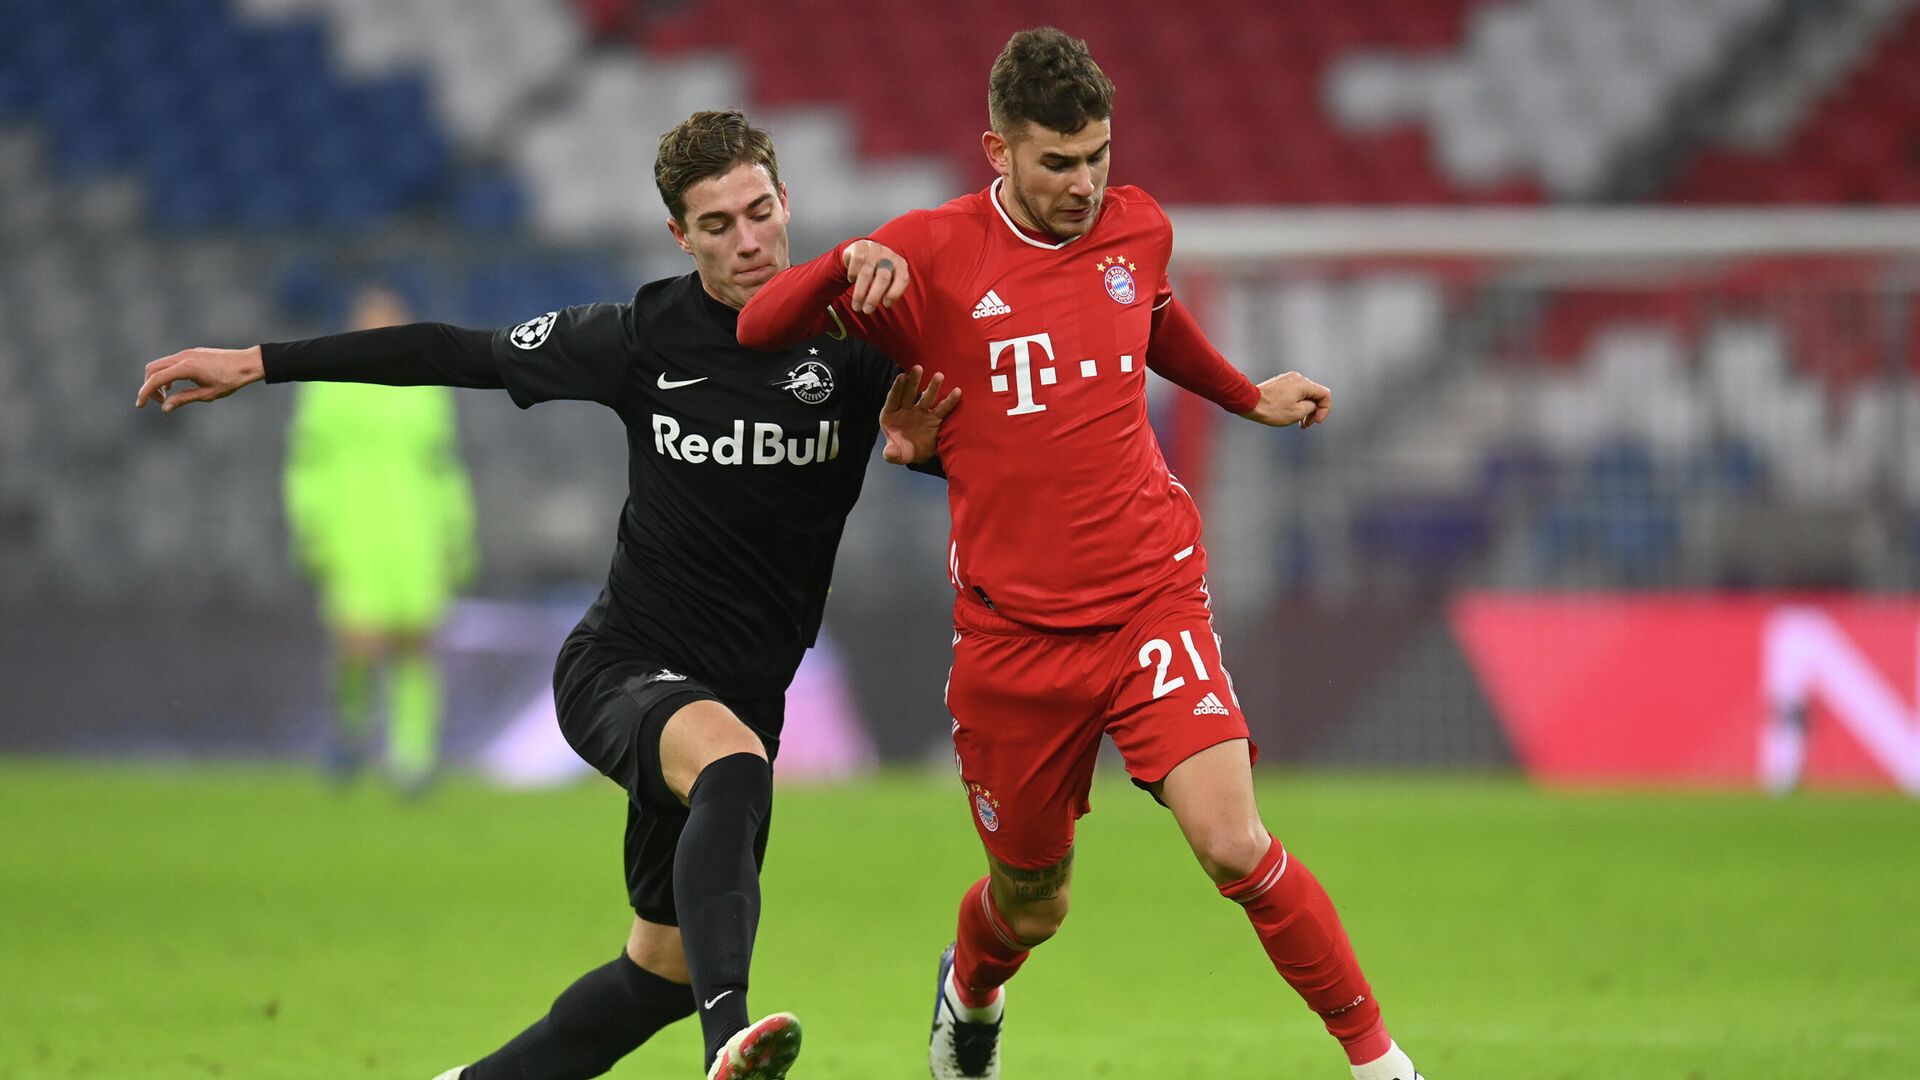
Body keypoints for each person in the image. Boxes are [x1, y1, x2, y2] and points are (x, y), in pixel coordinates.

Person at [136, 110, 957, 1080]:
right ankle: (726, 1045)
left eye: (760, 211)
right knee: (735, 772)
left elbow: (979, 448)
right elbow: (456, 351)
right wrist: (261, 362)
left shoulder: (857, 348)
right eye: (717, 224)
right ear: (679, 238)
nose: (747, 240)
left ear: (788, 204)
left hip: (746, 692)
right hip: (624, 670)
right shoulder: (644, 338)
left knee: (655, 972)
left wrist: (924, 456)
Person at [738, 28, 1423, 1080]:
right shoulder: (926, 251)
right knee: (1033, 901)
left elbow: (1148, 320)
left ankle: (1384, 1066)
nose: (1085, 181)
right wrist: (837, 260)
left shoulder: (1138, 226)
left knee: (1234, 843)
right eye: (1057, 161)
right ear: (996, 152)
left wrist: (1245, 394)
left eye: (1097, 154)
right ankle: (971, 991)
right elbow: (761, 332)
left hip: (1149, 599)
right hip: (1013, 638)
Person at [283, 282, 477, 794]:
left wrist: (457, 531)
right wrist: (312, 528)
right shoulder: (327, 383)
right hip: (354, 527)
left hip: (415, 528)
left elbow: (442, 464)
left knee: (416, 642)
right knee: (359, 642)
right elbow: (308, 463)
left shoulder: (424, 386)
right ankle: (351, 734)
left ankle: (412, 758)